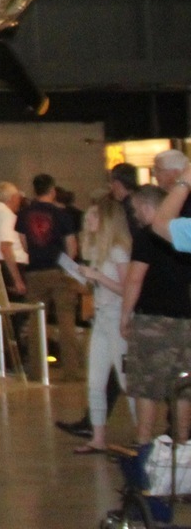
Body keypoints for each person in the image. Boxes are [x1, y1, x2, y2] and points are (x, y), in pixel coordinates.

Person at [126, 177, 191, 446]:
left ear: (145, 205)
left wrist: (125, 314)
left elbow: (134, 279)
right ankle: (183, 444)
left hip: (153, 318)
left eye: (135, 208)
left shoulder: (147, 237)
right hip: (185, 318)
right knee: (183, 388)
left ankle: (144, 445)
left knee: (147, 386)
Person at [67, 194, 133, 454]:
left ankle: (143, 435)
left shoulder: (117, 250)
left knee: (127, 380)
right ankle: (98, 437)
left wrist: (96, 277)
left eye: (94, 216)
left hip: (117, 318)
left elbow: (126, 287)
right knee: (95, 381)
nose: (88, 219)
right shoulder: (98, 251)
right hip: (102, 318)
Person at [16, 173, 84, 381]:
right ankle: (71, 372)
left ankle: (37, 371)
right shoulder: (62, 214)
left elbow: (24, 243)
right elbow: (72, 246)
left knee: (36, 322)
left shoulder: (24, 214)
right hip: (58, 271)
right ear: (52, 190)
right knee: (66, 321)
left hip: (35, 271)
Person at [0, 182, 26, 298]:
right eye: (19, 197)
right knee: (17, 309)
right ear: (13, 198)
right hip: (8, 267)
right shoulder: (7, 216)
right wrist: (17, 280)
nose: (20, 201)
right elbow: (6, 248)